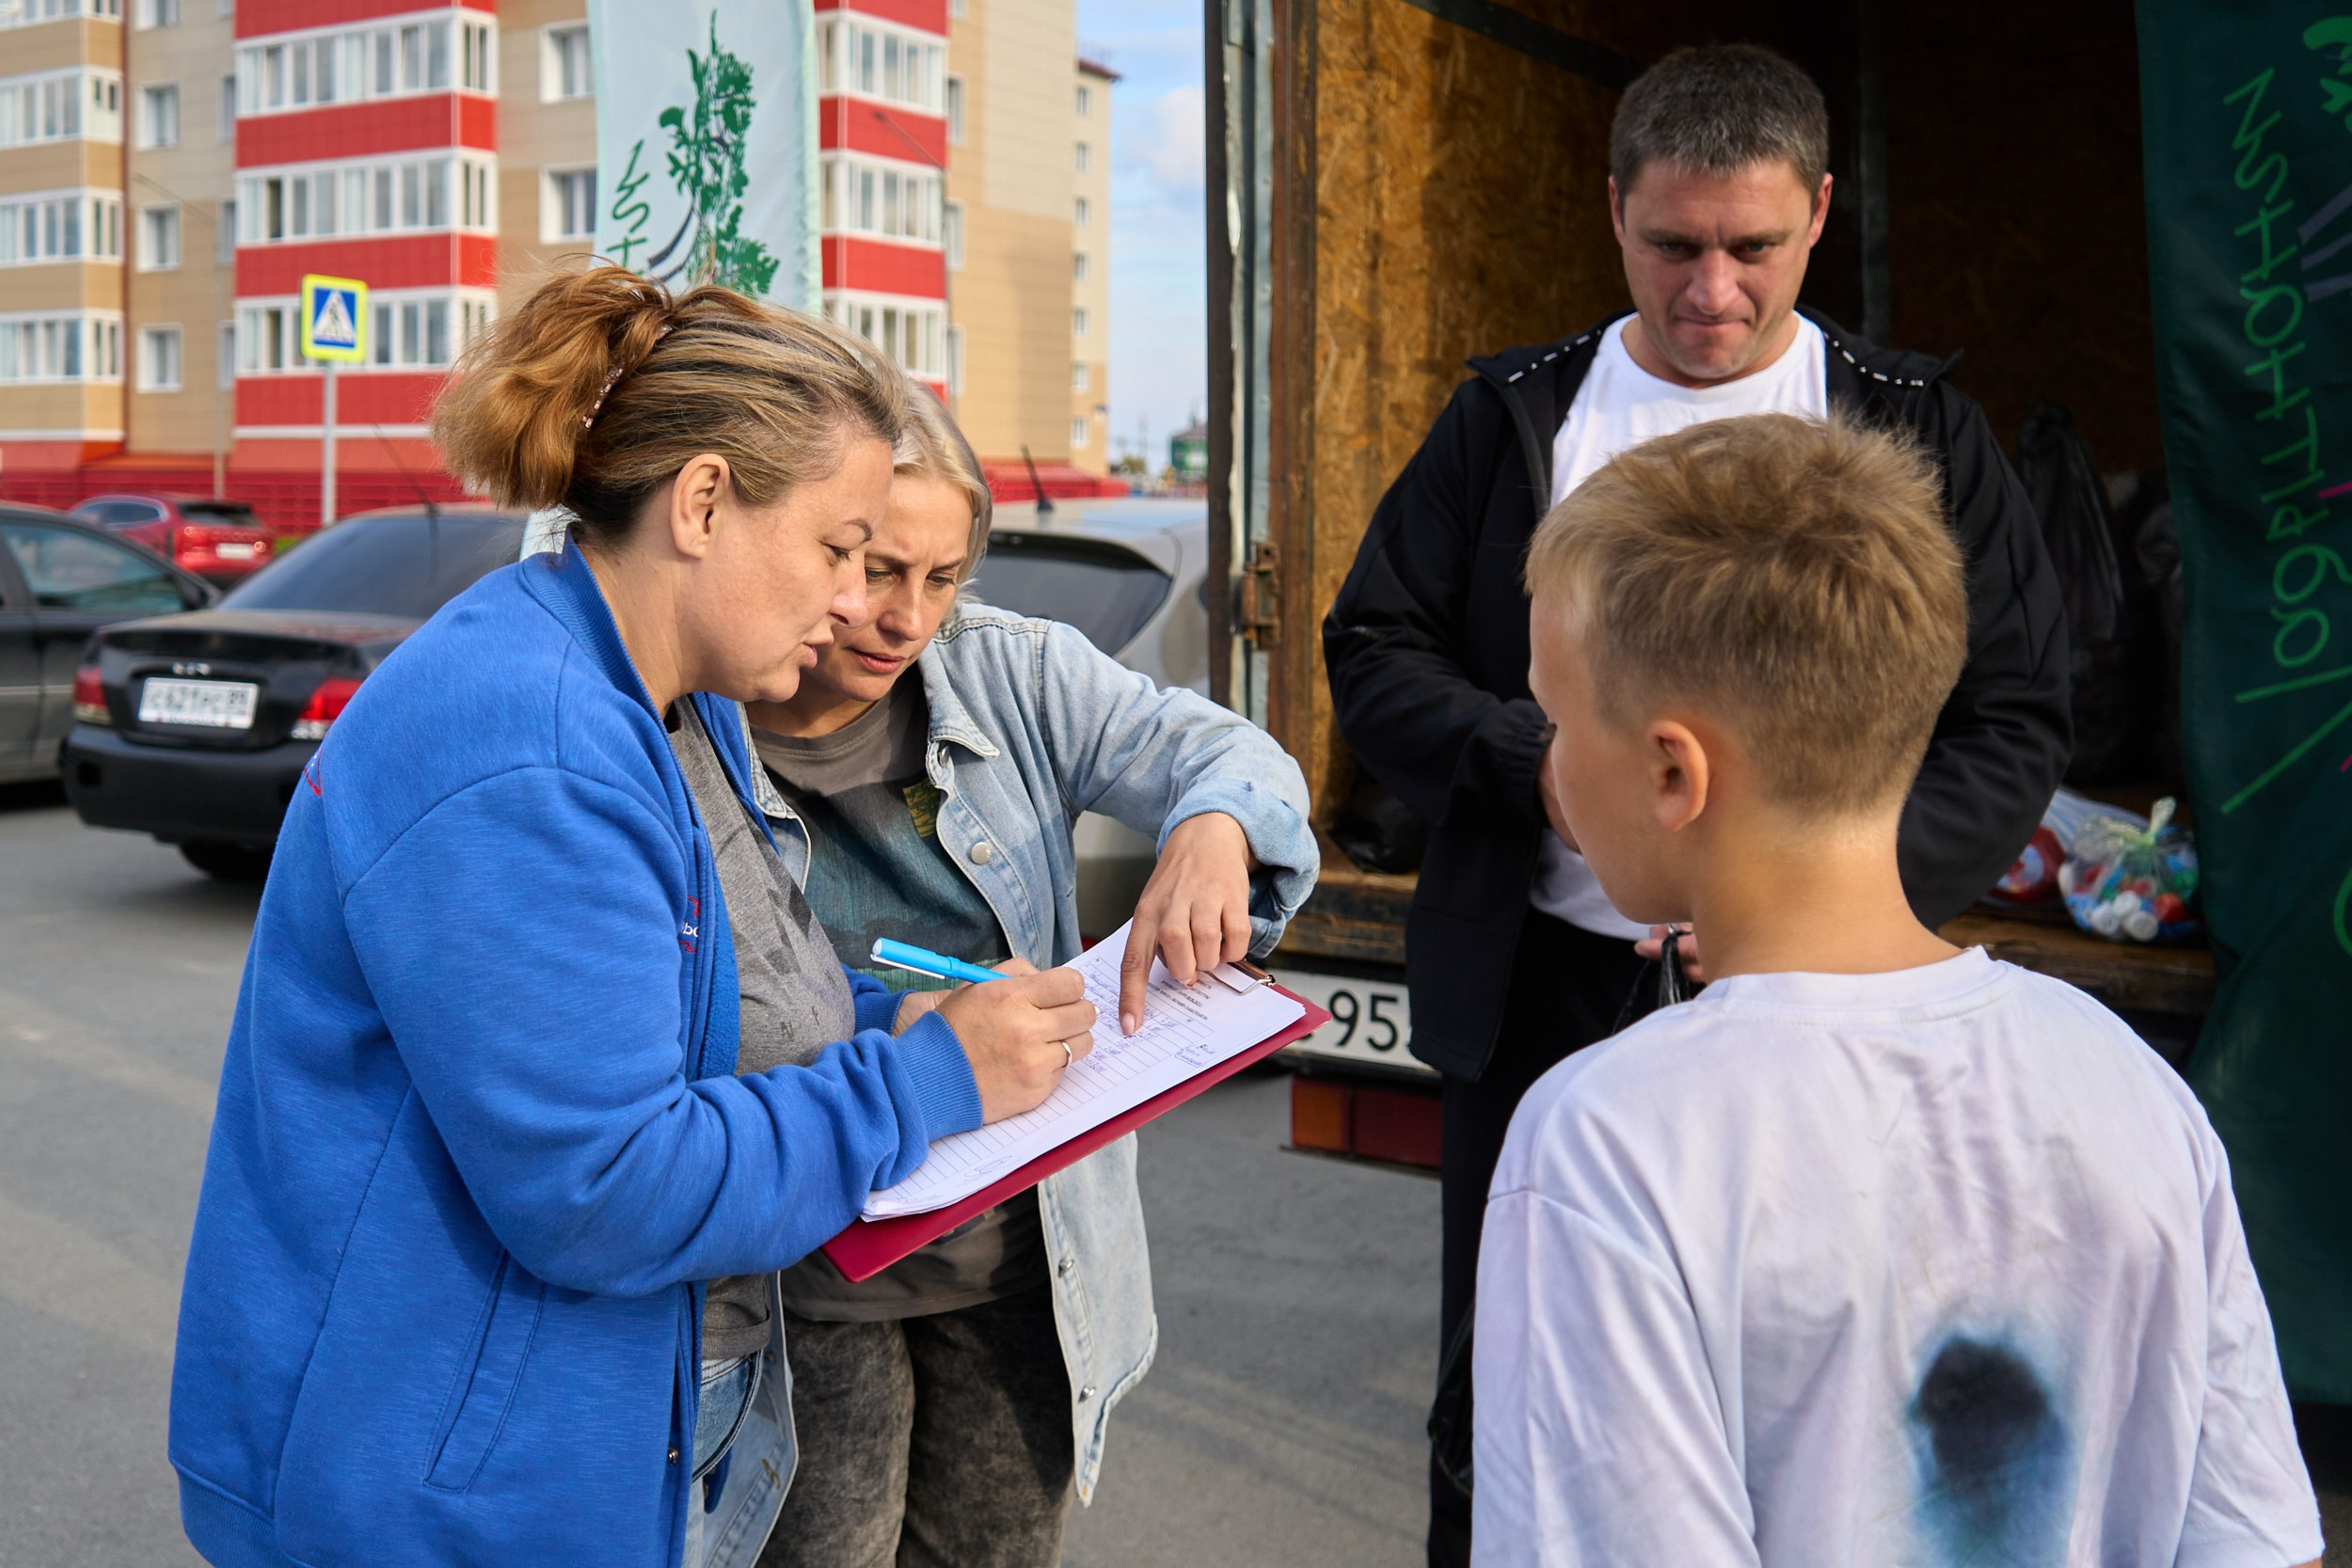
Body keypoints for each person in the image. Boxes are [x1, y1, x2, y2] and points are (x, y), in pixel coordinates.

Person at [167, 268, 1102, 1568]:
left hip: (537, 1435)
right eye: (838, 545)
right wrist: (924, 1081)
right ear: (705, 500)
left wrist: (906, 1018)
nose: (853, 600)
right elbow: (602, 1183)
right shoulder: (528, 746)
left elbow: (702, 1012)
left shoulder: (669, 700)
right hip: (418, 1483)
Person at [1316, 43, 2072, 1564]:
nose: (1712, 290)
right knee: (1510, 1394)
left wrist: (1827, 910)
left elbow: (2019, 712)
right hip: (1547, 988)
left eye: (1753, 248)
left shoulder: (1912, 430)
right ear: (1613, 214)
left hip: (1831, 1012)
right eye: (1674, 246)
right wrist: (1535, 764)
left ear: (1822, 215)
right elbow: (1370, 643)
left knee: (1807, 1391)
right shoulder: (1514, 416)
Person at [1473, 411, 2323, 1567]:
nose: (1548, 755)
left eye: (1557, 718)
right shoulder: (2129, 1081)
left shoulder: (1603, 1143)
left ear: (1673, 770)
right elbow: (2257, 1539)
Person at [720, 387, 1316, 1568]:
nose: (905, 619)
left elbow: (1227, 750)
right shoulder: (701, 708)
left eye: (945, 577)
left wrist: (1214, 827)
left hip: (1012, 1262)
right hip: (805, 1261)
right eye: (878, 567)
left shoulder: (1010, 671)